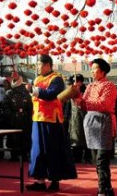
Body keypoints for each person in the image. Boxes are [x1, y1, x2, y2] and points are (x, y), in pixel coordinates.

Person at [26, 55, 77, 192]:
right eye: (37, 65)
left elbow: (51, 94)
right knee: (37, 151)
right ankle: (40, 181)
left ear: (48, 65)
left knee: (52, 151)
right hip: (38, 118)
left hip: (52, 120)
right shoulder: (37, 79)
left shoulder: (57, 78)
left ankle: (55, 181)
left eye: (39, 64)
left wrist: (34, 90)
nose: (37, 67)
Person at [74, 58, 117, 196]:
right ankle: (108, 189)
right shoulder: (90, 86)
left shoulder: (110, 86)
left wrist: (85, 102)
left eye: (95, 69)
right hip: (91, 124)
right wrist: (76, 96)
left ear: (103, 71)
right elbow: (83, 105)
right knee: (97, 161)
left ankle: (102, 190)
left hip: (104, 122)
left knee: (102, 160)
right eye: (91, 69)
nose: (92, 72)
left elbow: (103, 104)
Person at [1, 73, 33, 161]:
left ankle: (25, 154)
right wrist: (11, 116)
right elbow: (5, 106)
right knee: (13, 137)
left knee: (25, 137)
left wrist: (28, 117)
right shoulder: (9, 93)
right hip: (13, 119)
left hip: (24, 118)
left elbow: (30, 107)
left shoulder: (26, 93)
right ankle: (14, 154)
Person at [66, 74, 92, 164]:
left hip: (86, 117)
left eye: (76, 81)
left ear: (81, 82)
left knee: (86, 138)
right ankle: (77, 158)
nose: (74, 83)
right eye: (73, 82)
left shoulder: (87, 91)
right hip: (74, 119)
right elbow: (67, 107)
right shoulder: (71, 91)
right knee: (76, 139)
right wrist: (66, 118)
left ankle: (88, 157)